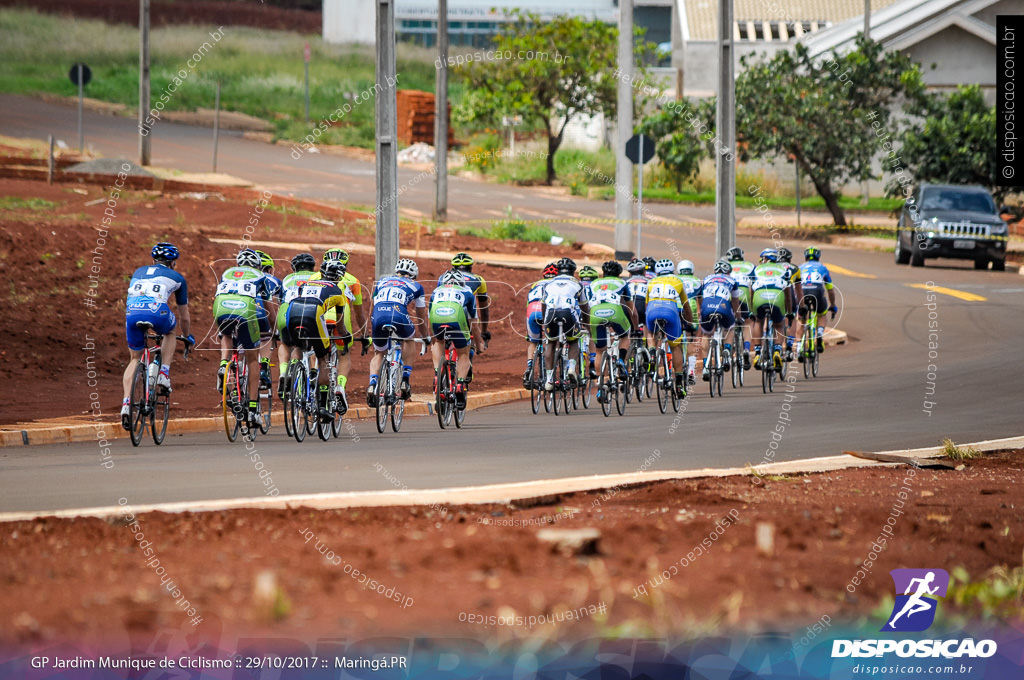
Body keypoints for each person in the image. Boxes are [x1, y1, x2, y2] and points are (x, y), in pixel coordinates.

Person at [121, 243, 193, 429]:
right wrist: (186, 336)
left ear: (153, 260)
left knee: (134, 359)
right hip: (157, 312)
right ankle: (164, 373)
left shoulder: (138, 271)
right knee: (170, 331)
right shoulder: (177, 277)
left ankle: (126, 403)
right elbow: (184, 315)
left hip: (132, 313)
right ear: (173, 263)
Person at [281, 259, 354, 419]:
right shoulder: (337, 291)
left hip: (292, 314)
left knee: (298, 347)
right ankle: (322, 405)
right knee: (323, 357)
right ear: (340, 277)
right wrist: (346, 335)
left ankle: (290, 373)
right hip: (313, 315)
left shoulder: (305, 284)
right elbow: (340, 325)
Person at [213, 249, 274, 425]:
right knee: (252, 358)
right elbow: (269, 310)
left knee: (226, 334)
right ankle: (254, 409)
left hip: (221, 307)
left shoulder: (227, 273)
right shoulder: (260, 276)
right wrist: (274, 329)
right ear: (258, 265)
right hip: (245, 311)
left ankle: (224, 365)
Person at [367, 258, 428, 404]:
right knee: (409, 339)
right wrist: (425, 336)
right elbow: (421, 315)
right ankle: (405, 380)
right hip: (398, 313)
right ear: (414, 274)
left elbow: (373, 304)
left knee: (379, 352)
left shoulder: (382, 281)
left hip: (378, 315)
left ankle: (372, 384)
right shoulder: (417, 286)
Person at [316, 248, 368, 408]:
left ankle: (312, 376)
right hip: (340, 317)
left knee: (316, 353)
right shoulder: (353, 281)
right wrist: (364, 335)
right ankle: (340, 386)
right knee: (344, 355)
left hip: (318, 314)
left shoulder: (314, 276)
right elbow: (359, 314)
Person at [428, 269, 483, 409]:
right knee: (464, 353)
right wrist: (478, 343)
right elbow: (474, 324)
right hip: (456, 319)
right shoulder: (467, 292)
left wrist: (433, 337)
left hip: (436, 318)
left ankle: (437, 375)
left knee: (438, 343)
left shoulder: (435, 291)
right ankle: (459, 385)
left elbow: (429, 317)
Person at [586, 260, 638, 403]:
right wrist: (635, 327)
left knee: (599, 350)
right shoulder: (623, 283)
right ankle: (621, 360)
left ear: (603, 273)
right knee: (624, 336)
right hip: (614, 311)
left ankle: (600, 387)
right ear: (619, 274)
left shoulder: (593, 284)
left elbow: (587, 304)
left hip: (595, 313)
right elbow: (631, 310)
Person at [644, 258, 695, 397]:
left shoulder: (651, 282)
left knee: (650, 332)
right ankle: (679, 385)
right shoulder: (678, 281)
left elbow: (646, 306)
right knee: (675, 346)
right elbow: (686, 306)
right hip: (671, 311)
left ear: (657, 272)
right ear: (672, 271)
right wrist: (690, 321)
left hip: (653, 311)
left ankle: (652, 353)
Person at [541, 257, 590, 391]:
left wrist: (545, 323)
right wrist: (587, 325)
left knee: (551, 342)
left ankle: (549, 380)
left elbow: (543, 305)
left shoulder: (548, 284)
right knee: (573, 340)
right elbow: (585, 309)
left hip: (551, 313)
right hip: (568, 313)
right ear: (573, 272)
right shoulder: (578, 284)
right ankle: (572, 368)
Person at [275, 253, 317, 397]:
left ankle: (283, 372)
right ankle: (313, 372)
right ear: (312, 267)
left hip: (287, 313)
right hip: (310, 312)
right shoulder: (318, 277)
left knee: (286, 343)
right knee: (317, 342)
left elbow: (281, 300)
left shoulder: (287, 279)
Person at [696, 260, 743, 382]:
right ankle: (727, 349)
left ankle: (706, 366)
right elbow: (735, 302)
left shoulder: (706, 279)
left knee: (706, 334)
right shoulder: (732, 281)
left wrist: (702, 310)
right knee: (729, 328)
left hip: (707, 307)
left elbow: (699, 297)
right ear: (729, 272)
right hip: (723, 307)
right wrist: (738, 318)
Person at [749, 248, 794, 370]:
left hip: (759, 296)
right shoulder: (784, 270)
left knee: (758, 321)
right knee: (779, 324)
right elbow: (789, 296)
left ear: (765, 259)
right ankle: (777, 351)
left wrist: (752, 310)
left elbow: (751, 291)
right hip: (777, 297)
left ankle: (757, 353)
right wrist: (789, 313)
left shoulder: (757, 269)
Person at [797, 246, 838, 359]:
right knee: (821, 314)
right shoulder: (823, 268)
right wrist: (832, 305)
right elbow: (830, 290)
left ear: (805, 257)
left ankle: (799, 347)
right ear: (819, 257)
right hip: (817, 291)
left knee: (801, 319)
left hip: (803, 291)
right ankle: (819, 334)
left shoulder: (800, 267)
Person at [523, 262, 558, 388]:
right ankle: (554, 368)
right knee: (554, 339)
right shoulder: (557, 284)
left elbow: (528, 303)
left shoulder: (535, 284)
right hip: (547, 310)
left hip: (532, 311)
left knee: (533, 342)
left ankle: (529, 366)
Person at [253, 250, 283, 391]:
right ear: (270, 269)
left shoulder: (246, 277)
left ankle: (232, 379)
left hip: (239, 312)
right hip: (262, 313)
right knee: (267, 336)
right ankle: (264, 366)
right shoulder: (275, 281)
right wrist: (276, 330)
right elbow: (276, 308)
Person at [449, 252, 490, 350]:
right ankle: (470, 350)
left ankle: (443, 355)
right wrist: (483, 331)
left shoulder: (443, 277)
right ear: (470, 268)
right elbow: (484, 309)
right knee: (470, 336)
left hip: (442, 311)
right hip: (465, 314)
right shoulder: (479, 279)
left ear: (453, 268)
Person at [725, 246, 756, 369]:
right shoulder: (750, 266)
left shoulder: (725, 266)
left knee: (728, 324)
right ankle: (746, 349)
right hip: (744, 294)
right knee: (748, 323)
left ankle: (727, 346)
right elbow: (754, 286)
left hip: (729, 295)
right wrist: (752, 308)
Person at [675, 260, 702, 384]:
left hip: (676, 307)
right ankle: (691, 369)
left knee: (674, 337)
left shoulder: (675, 279)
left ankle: (674, 367)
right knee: (692, 337)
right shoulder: (697, 280)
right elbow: (700, 300)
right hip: (690, 306)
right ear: (692, 270)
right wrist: (700, 313)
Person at [776, 247, 803, 361]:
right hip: (788, 292)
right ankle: (789, 347)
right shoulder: (795, 268)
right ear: (789, 259)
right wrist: (802, 307)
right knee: (791, 317)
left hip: (773, 292)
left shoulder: (773, 267)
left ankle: (771, 346)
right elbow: (799, 290)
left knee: (773, 319)